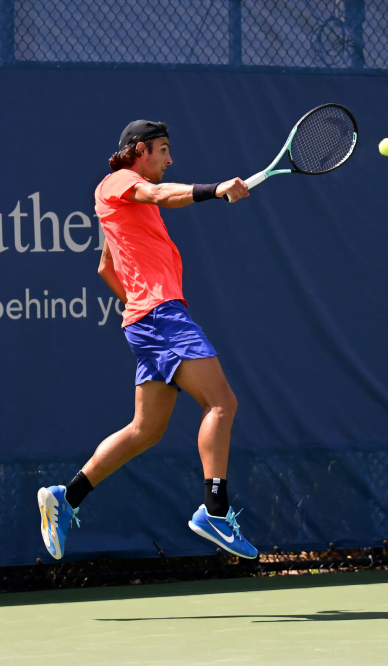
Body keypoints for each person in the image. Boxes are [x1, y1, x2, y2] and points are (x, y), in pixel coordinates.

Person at [37, 120, 257, 560]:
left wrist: (138, 305)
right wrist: (215, 190)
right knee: (221, 403)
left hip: (149, 317)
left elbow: (105, 267)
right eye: (163, 149)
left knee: (145, 430)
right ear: (139, 150)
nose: (170, 158)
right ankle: (214, 512)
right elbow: (159, 194)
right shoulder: (124, 181)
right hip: (161, 316)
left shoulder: (122, 206)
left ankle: (67, 496)